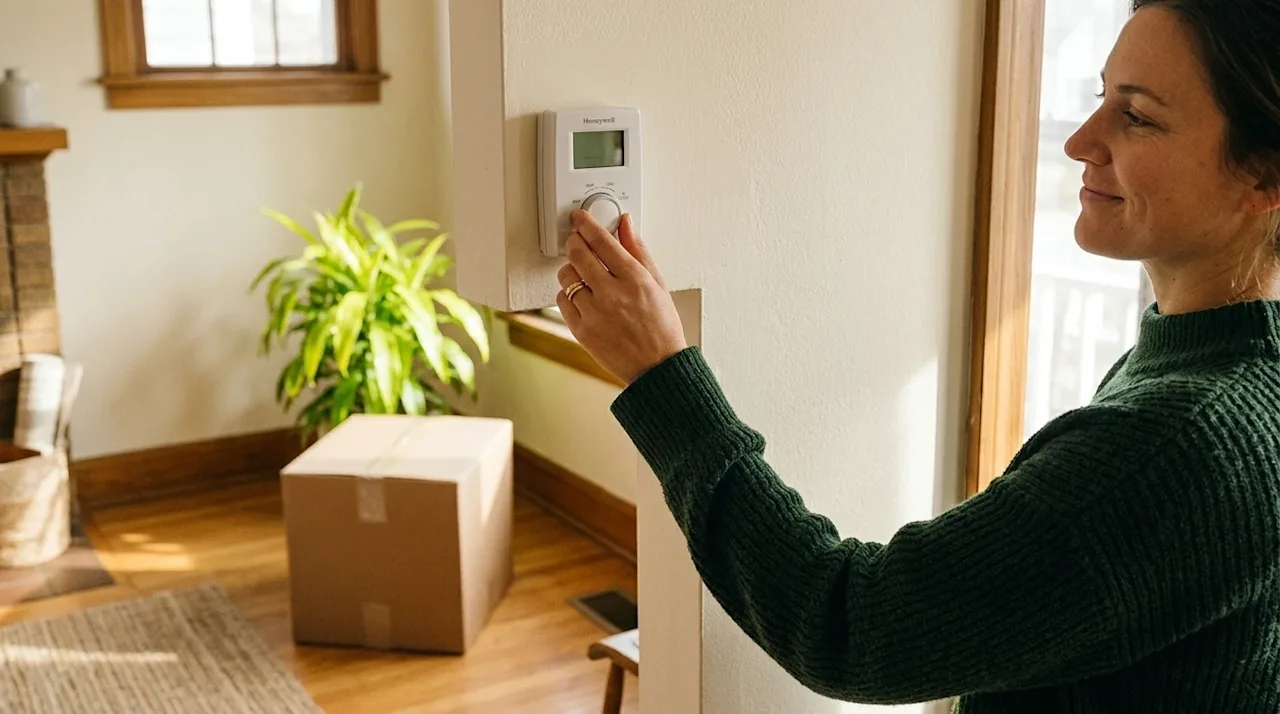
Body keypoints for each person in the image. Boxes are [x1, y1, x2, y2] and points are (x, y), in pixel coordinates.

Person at [552, 0, 1280, 711]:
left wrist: (662, 376)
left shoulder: (1181, 444)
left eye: (1138, 116)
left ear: (1265, 178)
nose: (1080, 141)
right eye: (1100, 99)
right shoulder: (1215, 372)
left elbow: (848, 625)